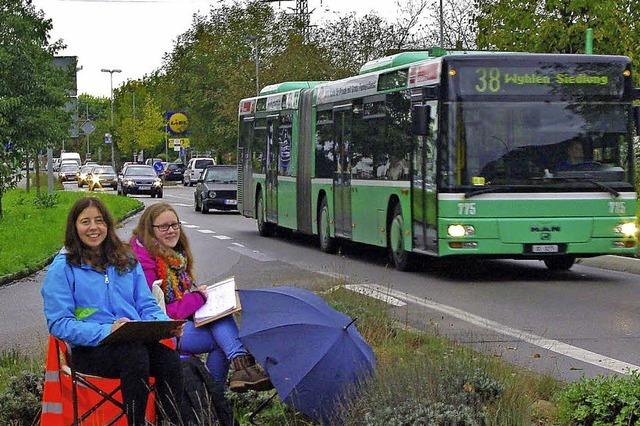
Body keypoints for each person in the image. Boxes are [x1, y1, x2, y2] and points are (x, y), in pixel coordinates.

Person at [41, 197, 183, 426]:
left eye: (99, 220)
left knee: (170, 361)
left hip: (133, 342)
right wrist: (108, 330)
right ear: (74, 228)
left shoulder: (126, 259)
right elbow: (59, 323)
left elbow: (146, 305)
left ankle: (169, 421)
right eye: (85, 222)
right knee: (135, 356)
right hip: (90, 350)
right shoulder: (63, 268)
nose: (94, 227)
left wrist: (165, 323)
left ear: (108, 224)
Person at [130, 202, 272, 392]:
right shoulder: (144, 262)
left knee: (221, 316)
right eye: (163, 227)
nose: (171, 230)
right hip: (161, 332)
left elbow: (181, 300)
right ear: (150, 230)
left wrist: (200, 297)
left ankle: (226, 385)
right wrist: (199, 298)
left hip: (179, 323)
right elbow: (162, 311)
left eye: (175, 225)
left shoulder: (175, 256)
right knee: (220, 341)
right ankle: (221, 390)